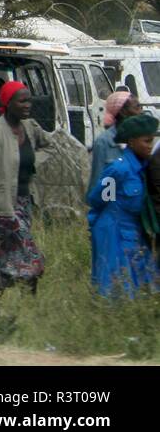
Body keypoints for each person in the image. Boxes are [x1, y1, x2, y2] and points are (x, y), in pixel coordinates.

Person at [0, 82, 50, 296]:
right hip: (1, 207)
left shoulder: (31, 128)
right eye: (22, 101)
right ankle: (21, 296)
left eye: (29, 100)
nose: (28, 105)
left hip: (25, 202)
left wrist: (36, 161)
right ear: (8, 103)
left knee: (2, 255)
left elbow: (49, 145)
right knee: (32, 257)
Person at [87, 113, 158, 298]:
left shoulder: (142, 168)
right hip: (113, 232)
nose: (150, 146)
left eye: (152, 141)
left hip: (133, 232)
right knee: (115, 290)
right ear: (132, 141)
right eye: (146, 141)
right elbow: (98, 199)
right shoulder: (119, 170)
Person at [87, 91, 139, 203]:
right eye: (137, 107)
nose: (141, 112)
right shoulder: (103, 142)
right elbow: (97, 181)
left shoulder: (140, 140)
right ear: (123, 112)